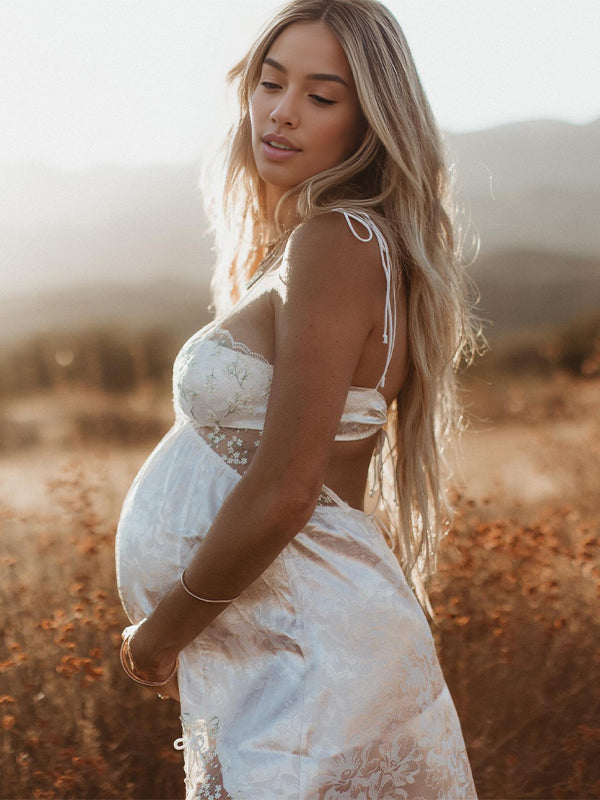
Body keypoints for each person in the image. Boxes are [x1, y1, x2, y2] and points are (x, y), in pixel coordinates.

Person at [116, 1, 480, 797]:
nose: (281, 112)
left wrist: (159, 636)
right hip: (275, 652)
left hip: (308, 660)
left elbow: (287, 490)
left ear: (371, 120)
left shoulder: (337, 242)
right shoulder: (320, 245)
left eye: (322, 95)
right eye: (270, 83)